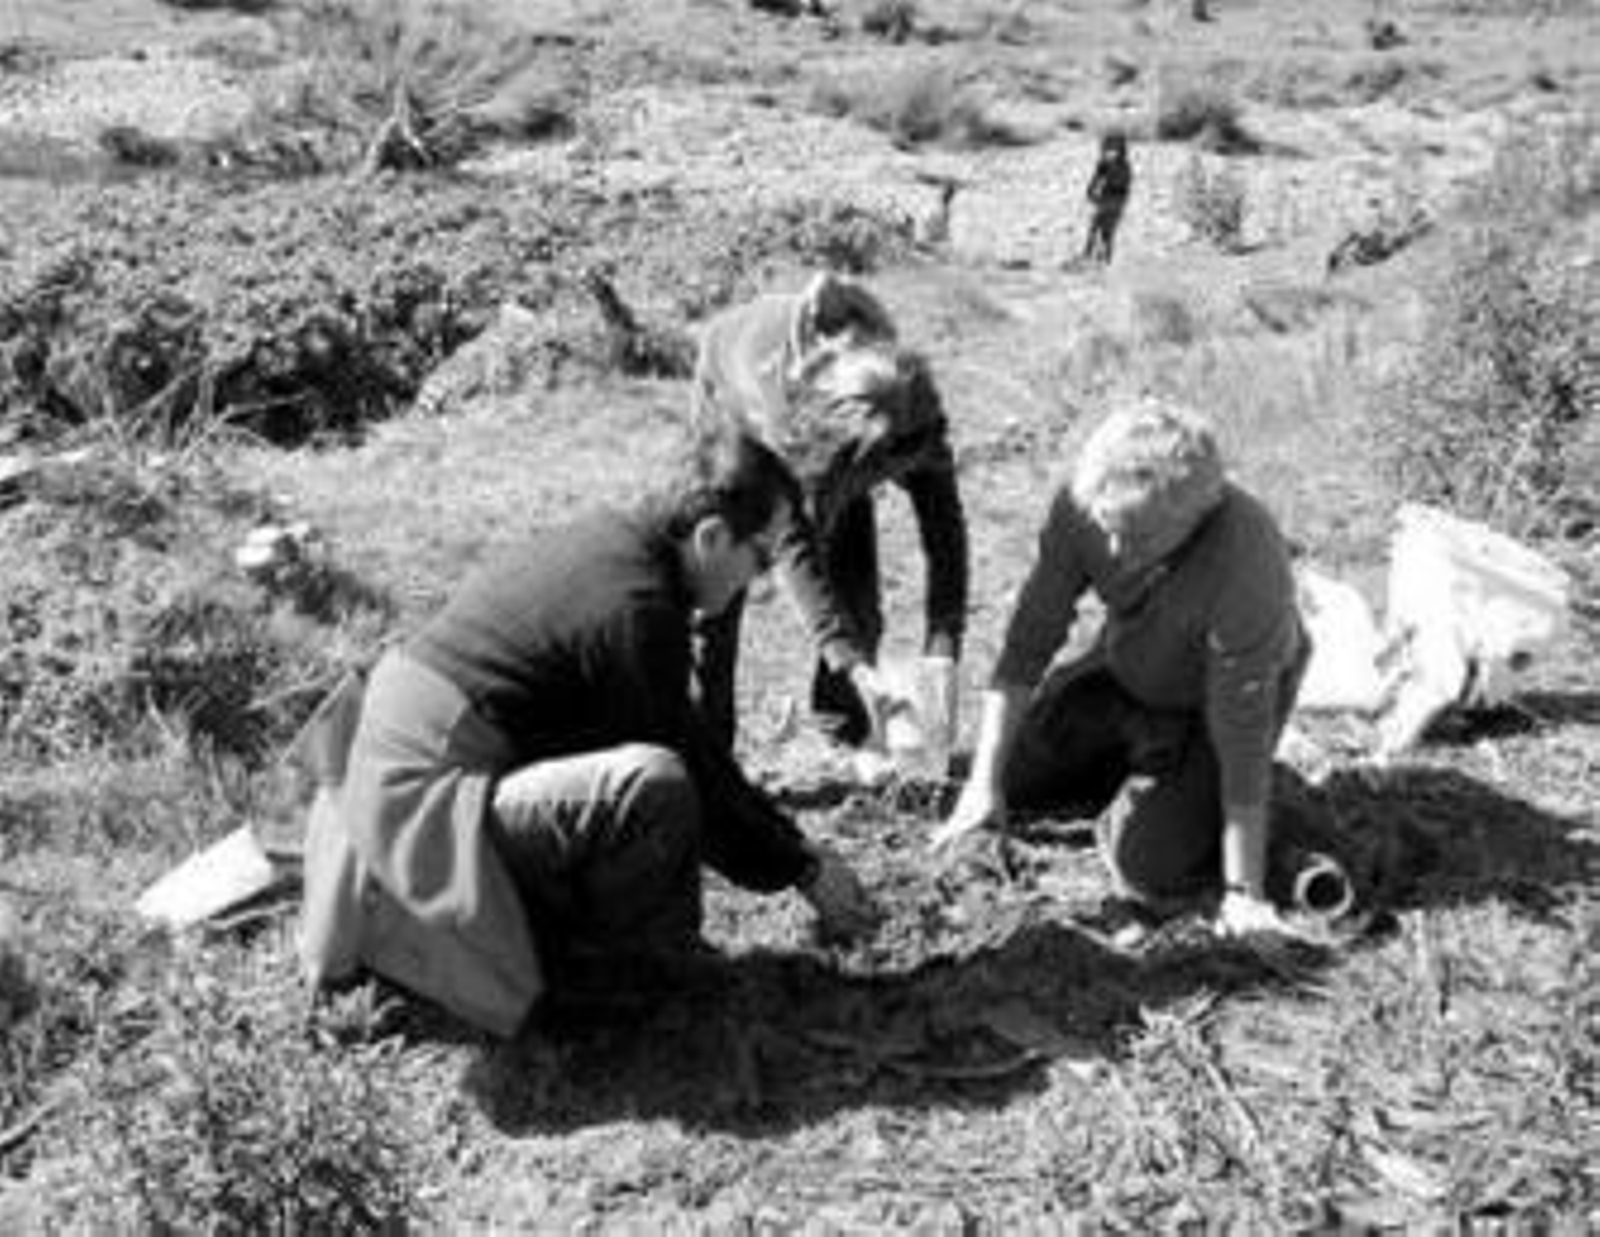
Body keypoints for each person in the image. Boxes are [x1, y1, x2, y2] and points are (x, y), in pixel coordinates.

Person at [298, 429, 882, 1038]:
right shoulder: (636, 609)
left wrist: (791, 853)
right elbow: (696, 777)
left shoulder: (616, 547)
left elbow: (685, 734)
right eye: (760, 558)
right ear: (711, 538)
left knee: (651, 772)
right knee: (652, 791)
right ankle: (624, 995)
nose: (757, 581)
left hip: (405, 768)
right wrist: (804, 870)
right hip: (425, 811)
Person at [932, 396, 1310, 939]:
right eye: (1105, 526)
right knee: (994, 777)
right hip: (1129, 670)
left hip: (1216, 706)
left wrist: (1242, 893)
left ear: (1194, 519)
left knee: (1149, 868)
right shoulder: (1087, 501)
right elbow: (1027, 645)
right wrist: (983, 783)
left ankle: (1235, 802)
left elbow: (1241, 728)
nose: (1112, 548)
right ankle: (1141, 753)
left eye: (1136, 537)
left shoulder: (1246, 562)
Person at [690, 271, 969, 765]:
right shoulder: (799, 424)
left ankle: (845, 727)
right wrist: (854, 663)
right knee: (721, 585)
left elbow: (943, 529)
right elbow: (794, 546)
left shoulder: (909, 403)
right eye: (869, 478)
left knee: (858, 593)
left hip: (845, 441)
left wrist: (942, 646)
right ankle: (708, 751)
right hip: (732, 400)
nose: (885, 487)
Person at [1082, 132, 1132, 266]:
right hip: (1120, 200)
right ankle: (1105, 261)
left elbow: (1096, 180)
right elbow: (1126, 185)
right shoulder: (1125, 165)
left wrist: (1090, 193)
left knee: (1095, 228)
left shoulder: (1106, 164)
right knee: (1108, 233)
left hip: (1108, 197)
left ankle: (1087, 257)